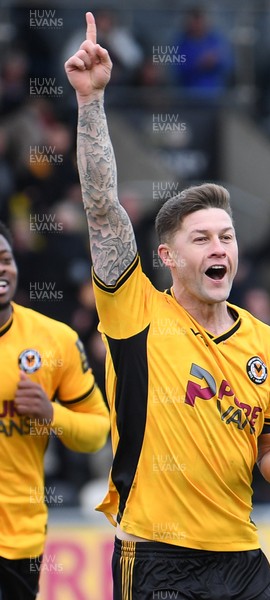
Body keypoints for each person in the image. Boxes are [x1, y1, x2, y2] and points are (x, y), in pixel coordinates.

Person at [65, 13, 270, 600]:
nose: (219, 247)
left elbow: (269, 459)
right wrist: (91, 103)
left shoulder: (268, 346)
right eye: (202, 239)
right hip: (154, 556)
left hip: (242, 559)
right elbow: (102, 212)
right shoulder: (136, 312)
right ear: (168, 257)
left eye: (226, 236)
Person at [0, 220, 110, 600]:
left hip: (20, 539)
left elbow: (98, 430)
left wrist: (52, 416)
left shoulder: (54, 340)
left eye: (5, 258)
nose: (2, 269)